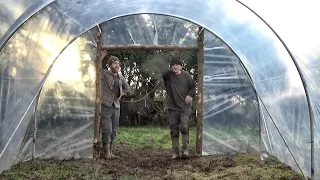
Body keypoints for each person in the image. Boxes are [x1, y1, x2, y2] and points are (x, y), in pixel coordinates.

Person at [162, 56, 196, 159]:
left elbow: (193, 87)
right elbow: (163, 72)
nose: (175, 67)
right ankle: (175, 152)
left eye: (177, 65)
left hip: (185, 107)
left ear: (181, 66)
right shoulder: (168, 76)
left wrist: (190, 95)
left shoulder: (186, 76)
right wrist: (169, 57)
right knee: (174, 129)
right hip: (172, 107)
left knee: (184, 127)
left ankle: (185, 150)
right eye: (173, 65)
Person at [100, 51, 131, 159]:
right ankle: (106, 152)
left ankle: (111, 152)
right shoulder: (104, 74)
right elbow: (95, 67)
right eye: (114, 63)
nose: (117, 65)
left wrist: (121, 94)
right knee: (107, 129)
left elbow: (128, 89)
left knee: (113, 131)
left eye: (118, 63)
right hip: (105, 105)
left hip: (116, 106)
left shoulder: (120, 76)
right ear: (109, 65)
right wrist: (100, 57)